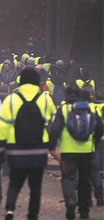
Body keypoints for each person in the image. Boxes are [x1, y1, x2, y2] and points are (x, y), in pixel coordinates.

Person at [0, 68, 56, 220]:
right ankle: (32, 215)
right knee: (36, 187)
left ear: (20, 80)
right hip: (39, 149)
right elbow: (52, 121)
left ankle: (10, 209)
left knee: (14, 183)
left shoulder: (11, 99)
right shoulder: (46, 99)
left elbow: (2, 126)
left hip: (16, 149)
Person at [49, 87, 103, 219]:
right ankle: (84, 211)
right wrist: (94, 142)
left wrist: (51, 146)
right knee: (85, 181)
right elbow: (99, 128)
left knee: (68, 178)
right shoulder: (89, 109)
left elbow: (55, 129)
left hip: (68, 153)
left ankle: (70, 201)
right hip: (87, 152)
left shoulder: (64, 109)